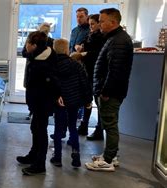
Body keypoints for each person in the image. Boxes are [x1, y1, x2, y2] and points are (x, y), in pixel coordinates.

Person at [85, 8, 133, 172]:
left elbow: (115, 70)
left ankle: (107, 160)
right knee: (110, 123)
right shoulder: (113, 38)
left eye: (102, 21)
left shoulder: (118, 41)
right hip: (109, 90)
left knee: (110, 125)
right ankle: (111, 155)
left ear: (113, 22)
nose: (100, 24)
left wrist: (105, 91)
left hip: (110, 93)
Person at [17, 31, 60, 175]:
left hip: (43, 102)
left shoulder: (42, 62)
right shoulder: (40, 56)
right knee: (35, 128)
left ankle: (40, 164)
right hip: (39, 102)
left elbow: (43, 86)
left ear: (34, 45)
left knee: (40, 131)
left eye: (27, 43)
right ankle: (33, 155)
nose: (25, 46)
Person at [51, 38, 92, 168]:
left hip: (59, 102)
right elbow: (84, 83)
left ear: (54, 49)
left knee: (58, 129)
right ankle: (76, 156)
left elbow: (50, 84)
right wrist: (87, 101)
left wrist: (54, 97)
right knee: (73, 127)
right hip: (74, 101)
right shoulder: (76, 64)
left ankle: (57, 157)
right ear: (67, 50)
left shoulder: (52, 65)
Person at [76, 14, 106, 139]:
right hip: (87, 72)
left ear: (99, 23)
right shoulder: (90, 34)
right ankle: (84, 125)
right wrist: (78, 46)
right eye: (90, 24)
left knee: (98, 102)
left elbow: (99, 54)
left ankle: (99, 129)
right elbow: (83, 43)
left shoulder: (103, 37)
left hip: (97, 73)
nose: (91, 26)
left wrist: (84, 54)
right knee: (86, 99)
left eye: (93, 24)